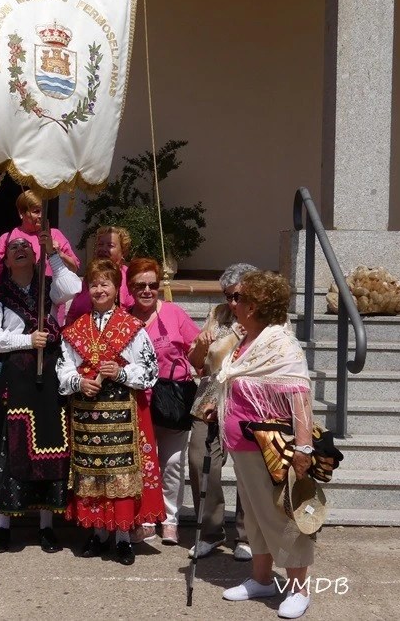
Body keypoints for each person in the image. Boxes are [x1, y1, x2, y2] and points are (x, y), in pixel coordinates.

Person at [214, 271, 316, 620]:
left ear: (254, 305)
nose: (233, 303)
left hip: (270, 447)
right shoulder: (246, 339)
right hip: (243, 446)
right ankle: (261, 579)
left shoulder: (280, 344)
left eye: (239, 298)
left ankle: (299, 590)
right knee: (256, 518)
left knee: (280, 516)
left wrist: (303, 449)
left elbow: (299, 397)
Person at [0, 234, 82, 553]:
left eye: (26, 248)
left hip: (49, 376)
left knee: (51, 442)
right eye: (13, 249)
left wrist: (54, 254)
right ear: (5, 261)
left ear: (35, 258)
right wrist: (25, 341)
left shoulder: (50, 286)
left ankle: (46, 526)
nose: (20, 251)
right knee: (12, 446)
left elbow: (74, 288)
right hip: (15, 377)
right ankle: (3, 525)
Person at [57, 258, 164, 565]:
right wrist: (79, 382)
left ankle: (121, 537)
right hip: (88, 415)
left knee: (121, 473)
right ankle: (98, 532)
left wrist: (120, 372)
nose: (99, 289)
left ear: (117, 289)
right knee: (93, 471)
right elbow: (63, 367)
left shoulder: (132, 328)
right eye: (94, 284)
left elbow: (150, 370)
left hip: (124, 414)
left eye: (105, 283)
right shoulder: (76, 328)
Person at [126, 258, 203, 545]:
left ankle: (169, 518)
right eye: (140, 285)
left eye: (153, 285)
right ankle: (146, 517)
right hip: (139, 401)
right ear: (130, 287)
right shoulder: (123, 318)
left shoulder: (173, 313)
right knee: (143, 463)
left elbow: (197, 349)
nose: (147, 290)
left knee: (171, 462)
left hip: (173, 398)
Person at [187, 263, 259, 561]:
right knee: (199, 458)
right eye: (227, 295)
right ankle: (210, 532)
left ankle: (247, 534)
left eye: (237, 296)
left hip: (249, 398)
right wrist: (202, 347)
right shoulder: (219, 315)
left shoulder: (270, 319)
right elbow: (195, 360)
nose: (232, 303)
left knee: (248, 467)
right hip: (209, 395)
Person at [0, 190, 80, 275]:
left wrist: (59, 253)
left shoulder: (55, 234)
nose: (41, 215)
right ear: (21, 213)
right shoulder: (7, 238)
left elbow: (74, 268)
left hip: (52, 289)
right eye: (36, 211)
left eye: (43, 211)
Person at [66, 225, 135, 324]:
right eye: (100, 244)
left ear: (123, 252)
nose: (103, 249)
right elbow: (73, 313)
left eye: (110, 245)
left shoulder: (130, 276)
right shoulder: (90, 276)